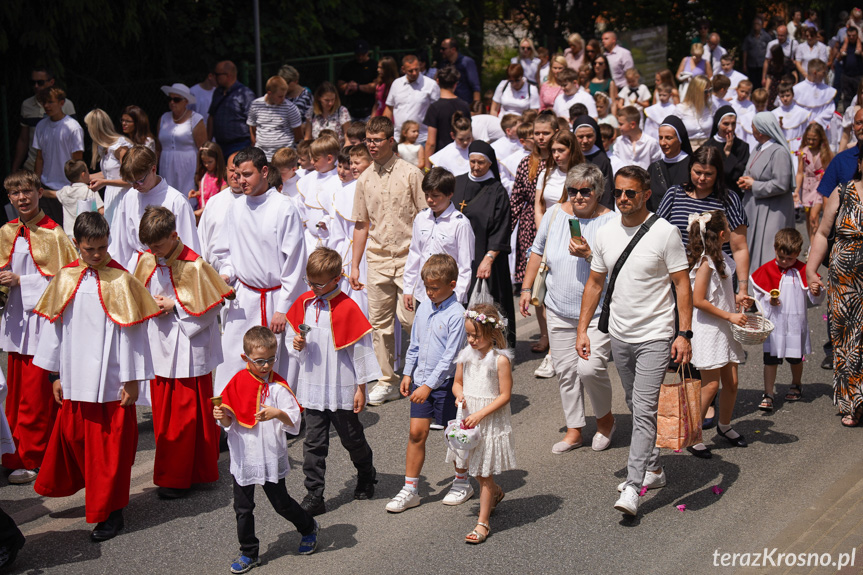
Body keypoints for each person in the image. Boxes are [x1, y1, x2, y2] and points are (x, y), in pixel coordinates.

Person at [33, 211, 157, 541]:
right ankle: (94, 496)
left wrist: (131, 380)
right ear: (77, 245)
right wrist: (55, 375)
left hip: (110, 382)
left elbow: (133, 333)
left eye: (103, 247)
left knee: (108, 452)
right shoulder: (65, 278)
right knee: (76, 440)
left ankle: (110, 513)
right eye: (90, 249)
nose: (98, 255)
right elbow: (56, 328)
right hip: (75, 377)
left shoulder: (121, 279)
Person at [576, 165, 692, 517]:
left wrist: (684, 333)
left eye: (631, 193)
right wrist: (583, 329)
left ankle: (632, 486)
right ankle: (654, 470)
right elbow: (595, 284)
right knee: (633, 401)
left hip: (656, 335)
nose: (624, 199)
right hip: (620, 335)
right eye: (620, 193)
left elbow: (682, 284)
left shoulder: (665, 233)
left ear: (645, 195)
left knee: (643, 410)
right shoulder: (606, 233)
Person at [133, 206, 230, 498]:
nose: (155, 252)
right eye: (150, 247)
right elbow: (137, 293)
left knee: (189, 414)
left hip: (188, 348)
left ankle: (182, 476)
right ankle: (180, 472)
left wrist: (174, 305)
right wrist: (151, 304)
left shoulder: (195, 265)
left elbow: (214, 305)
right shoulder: (148, 259)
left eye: (160, 245)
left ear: (174, 236)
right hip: (159, 343)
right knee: (165, 416)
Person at [520, 163, 616, 452]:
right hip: (559, 308)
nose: (578, 196)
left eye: (585, 191)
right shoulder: (554, 215)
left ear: (598, 192)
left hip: (597, 313)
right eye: (572, 191)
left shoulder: (612, 222)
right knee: (566, 371)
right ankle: (574, 429)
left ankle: (605, 420)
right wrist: (526, 288)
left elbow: (617, 269)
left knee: (590, 368)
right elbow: (537, 251)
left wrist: (588, 255)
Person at [213, 326, 318, 573]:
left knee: (281, 503)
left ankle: (308, 527)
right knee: (243, 508)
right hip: (243, 455)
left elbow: (294, 421)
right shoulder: (237, 382)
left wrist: (276, 413)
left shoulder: (279, 386)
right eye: (259, 361)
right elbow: (230, 422)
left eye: (271, 359)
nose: (266, 366)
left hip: (269, 453)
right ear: (245, 358)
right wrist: (222, 417)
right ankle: (249, 552)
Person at [287, 247, 380, 517]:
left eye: (318, 283)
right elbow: (292, 342)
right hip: (314, 384)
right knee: (313, 443)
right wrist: (296, 344)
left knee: (352, 439)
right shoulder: (304, 303)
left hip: (341, 385)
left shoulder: (348, 308)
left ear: (337, 278)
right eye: (309, 281)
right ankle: (314, 493)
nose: (313, 287)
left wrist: (361, 388)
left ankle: (366, 473)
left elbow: (361, 352)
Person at [0, 170, 77, 484]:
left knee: (35, 396)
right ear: (9, 198)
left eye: (27, 191)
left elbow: (65, 280)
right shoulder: (6, 231)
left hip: (40, 322)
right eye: (15, 194)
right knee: (15, 394)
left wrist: (22, 281)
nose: (22, 198)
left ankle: (33, 456)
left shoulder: (54, 233)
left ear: (38, 192)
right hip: (15, 323)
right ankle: (11, 451)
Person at [211, 146, 307, 395]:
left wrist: (283, 308)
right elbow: (227, 251)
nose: (240, 180)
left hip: (276, 298)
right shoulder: (235, 207)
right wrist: (226, 273)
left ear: (264, 172)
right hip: (244, 298)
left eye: (247, 174)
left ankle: (280, 416)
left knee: (279, 362)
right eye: (237, 174)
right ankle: (230, 416)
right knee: (234, 357)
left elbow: (294, 262)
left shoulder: (284, 207)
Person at [385, 255, 471, 512]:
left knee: (454, 436)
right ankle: (411, 489)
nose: (430, 293)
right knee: (416, 434)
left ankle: (462, 481)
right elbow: (416, 343)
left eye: (435, 288)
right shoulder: (424, 307)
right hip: (421, 382)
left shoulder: (457, 314)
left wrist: (428, 386)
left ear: (452, 285)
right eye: (427, 288)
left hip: (444, 385)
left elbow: (449, 359)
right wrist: (408, 373)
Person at [350, 117, 424, 405]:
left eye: (377, 140)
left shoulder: (410, 173)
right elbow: (361, 224)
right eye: (368, 140)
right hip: (378, 259)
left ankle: (421, 372)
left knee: (410, 320)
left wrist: (425, 259)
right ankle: (387, 379)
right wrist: (355, 265)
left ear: (390, 141)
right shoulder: (364, 179)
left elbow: (423, 217)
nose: (371, 145)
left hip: (408, 258)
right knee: (379, 324)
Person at [445, 303, 514, 544]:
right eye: (468, 335)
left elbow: (505, 395)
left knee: (482, 472)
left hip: (487, 419)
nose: (472, 340)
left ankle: (482, 522)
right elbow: (457, 382)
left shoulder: (500, 361)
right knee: (467, 464)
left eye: (477, 335)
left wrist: (481, 414)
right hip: (468, 417)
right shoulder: (465, 355)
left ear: (493, 334)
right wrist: (459, 394)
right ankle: (494, 491)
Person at [685, 211, 750, 459]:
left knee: (731, 382)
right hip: (710, 330)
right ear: (722, 234)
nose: (732, 231)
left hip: (724, 327)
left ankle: (724, 426)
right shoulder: (705, 264)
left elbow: (718, 295)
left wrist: (736, 299)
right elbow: (699, 301)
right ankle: (695, 434)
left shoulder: (721, 259)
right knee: (711, 386)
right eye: (729, 228)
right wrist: (730, 316)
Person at [807, 152, 863, 424]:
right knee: (846, 338)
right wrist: (811, 269)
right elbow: (822, 232)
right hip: (844, 278)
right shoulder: (843, 191)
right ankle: (852, 402)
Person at [752, 228, 823, 413]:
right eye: (781, 257)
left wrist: (816, 291)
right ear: (775, 249)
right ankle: (768, 393)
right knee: (770, 359)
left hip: (794, 322)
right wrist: (769, 300)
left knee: (795, 357)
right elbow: (758, 296)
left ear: (798, 254)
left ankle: (796, 384)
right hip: (775, 324)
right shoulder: (767, 269)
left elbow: (814, 294)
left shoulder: (803, 270)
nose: (784, 262)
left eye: (789, 259)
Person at [452, 141, 516, 347]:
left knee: (487, 305)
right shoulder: (457, 183)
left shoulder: (497, 191)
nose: (476, 167)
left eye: (481, 163)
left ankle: (493, 347)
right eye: (472, 161)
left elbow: (502, 227)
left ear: (490, 164)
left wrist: (488, 258)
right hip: (458, 256)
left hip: (485, 257)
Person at [111, 146, 201, 271]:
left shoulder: (176, 201)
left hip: (169, 270)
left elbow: (189, 248)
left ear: (153, 169)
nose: (136, 186)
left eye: (140, 181)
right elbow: (120, 245)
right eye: (131, 182)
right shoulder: (130, 196)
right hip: (137, 269)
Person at [403, 168, 475, 311]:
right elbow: (415, 254)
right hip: (422, 295)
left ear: (449, 194)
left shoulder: (460, 224)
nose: (430, 200)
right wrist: (408, 288)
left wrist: (457, 300)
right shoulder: (421, 218)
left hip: (447, 297)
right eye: (427, 195)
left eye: (435, 195)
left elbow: (465, 266)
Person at [737, 112, 795, 270]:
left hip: (773, 210)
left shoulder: (778, 152)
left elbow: (781, 184)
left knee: (768, 251)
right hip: (756, 208)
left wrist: (754, 185)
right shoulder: (758, 148)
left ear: (761, 130)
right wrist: (745, 180)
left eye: (753, 127)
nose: (752, 130)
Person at [510, 113, 558, 302]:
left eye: (545, 133)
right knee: (537, 278)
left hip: (556, 216)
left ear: (555, 132)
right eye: (537, 133)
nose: (540, 137)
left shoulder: (560, 161)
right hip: (530, 221)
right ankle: (544, 331)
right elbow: (515, 200)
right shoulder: (526, 163)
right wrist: (505, 233)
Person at [32, 87, 84, 224]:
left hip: (67, 187)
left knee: (67, 229)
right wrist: (36, 183)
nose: (46, 106)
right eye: (44, 102)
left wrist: (75, 187)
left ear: (61, 103)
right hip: (45, 187)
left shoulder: (73, 127)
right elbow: (39, 157)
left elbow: (77, 161)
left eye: (50, 102)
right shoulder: (41, 126)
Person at [13, 68, 77, 174]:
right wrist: (14, 169)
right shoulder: (27, 105)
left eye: (40, 82)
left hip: (59, 168)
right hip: (32, 165)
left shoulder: (66, 105)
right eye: (33, 83)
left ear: (51, 82)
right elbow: (23, 140)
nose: (36, 86)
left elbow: (73, 141)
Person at [157, 83, 207, 206]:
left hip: (188, 167)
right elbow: (158, 147)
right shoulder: (163, 118)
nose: (172, 102)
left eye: (176, 99)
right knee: (166, 199)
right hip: (166, 166)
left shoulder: (195, 119)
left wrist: (199, 172)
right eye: (170, 99)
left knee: (186, 199)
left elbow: (203, 148)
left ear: (186, 102)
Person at [82, 109, 131, 228]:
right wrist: (82, 178)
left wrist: (104, 183)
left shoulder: (120, 147)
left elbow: (130, 180)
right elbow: (109, 173)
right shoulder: (103, 147)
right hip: (112, 196)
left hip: (124, 196)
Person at [198, 151, 242, 267]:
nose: (235, 175)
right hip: (213, 274)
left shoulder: (254, 201)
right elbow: (201, 239)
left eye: (239, 172)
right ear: (226, 170)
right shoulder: (214, 201)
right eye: (232, 171)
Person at [385, 55, 440, 147]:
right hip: (398, 138)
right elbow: (389, 109)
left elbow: (438, 111)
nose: (414, 73)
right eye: (410, 71)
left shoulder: (430, 85)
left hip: (421, 139)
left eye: (417, 69)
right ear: (403, 69)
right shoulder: (396, 84)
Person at [246, 75, 303, 161]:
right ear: (269, 93)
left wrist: (284, 145)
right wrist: (257, 143)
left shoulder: (290, 108)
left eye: (285, 95)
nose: (283, 99)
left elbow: (298, 133)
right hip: (262, 155)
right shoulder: (256, 105)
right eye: (280, 96)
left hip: (284, 157)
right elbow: (252, 127)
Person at [423, 65, 472, 159]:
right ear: (455, 84)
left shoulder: (434, 108)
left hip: (442, 158)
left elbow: (431, 143)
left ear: (437, 81)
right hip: (462, 156)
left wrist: (427, 168)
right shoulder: (464, 105)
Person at [208, 61, 256, 155]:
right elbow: (211, 116)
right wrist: (208, 141)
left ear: (228, 75)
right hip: (220, 144)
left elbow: (253, 121)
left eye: (217, 74)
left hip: (240, 144)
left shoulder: (245, 94)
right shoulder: (217, 92)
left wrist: (253, 143)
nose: (214, 77)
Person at [647, 115, 694, 210]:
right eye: (660, 138)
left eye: (668, 138)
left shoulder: (692, 166)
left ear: (680, 139)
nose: (663, 143)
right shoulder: (653, 168)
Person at [796, 123, 832, 244]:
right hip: (807, 186)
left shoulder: (825, 152)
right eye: (809, 139)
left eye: (814, 139)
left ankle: (816, 245)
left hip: (820, 186)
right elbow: (800, 172)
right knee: (808, 217)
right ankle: (812, 243)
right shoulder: (803, 152)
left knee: (814, 216)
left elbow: (830, 170)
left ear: (820, 138)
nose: (811, 141)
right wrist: (797, 190)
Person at [50, 160, 103, 240]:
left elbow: (53, 194)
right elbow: (101, 211)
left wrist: (40, 191)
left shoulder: (65, 191)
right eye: (88, 171)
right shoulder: (90, 190)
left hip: (70, 237)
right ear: (83, 174)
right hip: (89, 235)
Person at [704, 106, 750, 198]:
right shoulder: (708, 146)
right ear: (718, 124)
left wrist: (729, 154)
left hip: (735, 195)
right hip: (712, 196)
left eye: (733, 124)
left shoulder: (742, 146)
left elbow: (739, 174)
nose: (730, 128)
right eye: (726, 124)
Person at [572, 115, 614, 206]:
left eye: (589, 136)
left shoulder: (602, 159)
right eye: (580, 136)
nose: (585, 140)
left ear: (596, 136)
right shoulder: (569, 156)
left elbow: (607, 194)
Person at [337, 40, 378, 121]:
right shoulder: (348, 66)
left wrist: (358, 87)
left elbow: (376, 86)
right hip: (352, 110)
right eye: (358, 54)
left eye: (362, 54)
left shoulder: (374, 65)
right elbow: (340, 85)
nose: (360, 57)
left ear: (367, 53)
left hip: (369, 110)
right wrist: (348, 86)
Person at [188, 141, 228, 220]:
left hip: (215, 213)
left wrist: (203, 210)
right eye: (204, 162)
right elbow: (205, 191)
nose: (206, 165)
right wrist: (196, 193)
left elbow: (223, 197)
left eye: (210, 162)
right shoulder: (203, 173)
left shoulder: (222, 176)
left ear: (217, 159)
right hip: (202, 212)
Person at [793, 59, 836, 130]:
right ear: (815, 73)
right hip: (801, 127)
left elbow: (830, 109)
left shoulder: (827, 90)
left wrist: (817, 121)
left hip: (820, 127)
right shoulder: (797, 90)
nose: (824, 75)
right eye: (823, 73)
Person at [674, 75, 713, 149]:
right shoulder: (680, 109)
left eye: (710, 90)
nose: (708, 94)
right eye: (705, 91)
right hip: (688, 147)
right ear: (695, 92)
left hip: (708, 146)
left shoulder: (711, 107)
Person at [439, 38, 481, 104]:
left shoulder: (467, 62)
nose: (441, 51)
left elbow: (475, 86)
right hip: (448, 104)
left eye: (444, 49)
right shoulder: (444, 64)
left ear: (453, 49)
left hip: (465, 104)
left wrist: (476, 107)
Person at [742, 16, 772, 89]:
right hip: (752, 64)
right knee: (753, 83)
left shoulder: (766, 36)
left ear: (761, 25)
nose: (756, 26)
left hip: (763, 64)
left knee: (762, 82)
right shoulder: (748, 37)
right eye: (754, 24)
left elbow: (771, 48)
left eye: (757, 24)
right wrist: (744, 64)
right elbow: (745, 50)